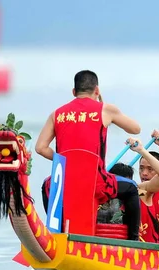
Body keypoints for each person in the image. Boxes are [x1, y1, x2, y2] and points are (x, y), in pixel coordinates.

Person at [35, 70, 141, 240]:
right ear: (97, 90)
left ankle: (56, 237)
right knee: (131, 188)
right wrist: (107, 109)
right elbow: (135, 129)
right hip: (96, 183)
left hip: (64, 182)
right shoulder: (106, 110)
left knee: (47, 185)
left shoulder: (57, 113)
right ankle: (133, 242)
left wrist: (63, 161)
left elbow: (40, 148)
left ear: (73, 92)